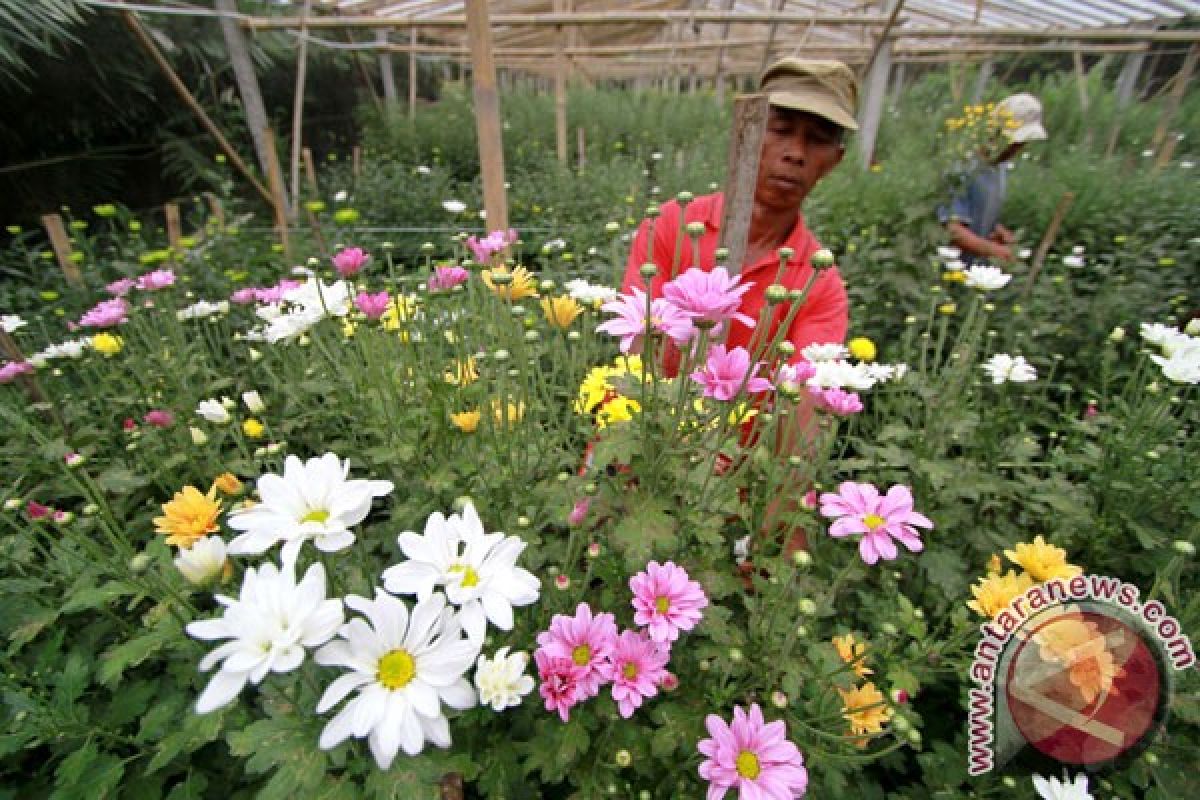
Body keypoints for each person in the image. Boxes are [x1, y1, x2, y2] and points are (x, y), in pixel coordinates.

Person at [622, 58, 858, 373]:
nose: (796, 153)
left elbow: (808, 396)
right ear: (746, 131)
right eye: (781, 130)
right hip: (649, 416)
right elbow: (638, 352)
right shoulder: (671, 225)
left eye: (817, 139)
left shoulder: (820, 286)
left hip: (747, 423)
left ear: (834, 161)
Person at [941, 93, 1047, 263]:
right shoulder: (962, 166)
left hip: (978, 271)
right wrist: (994, 251)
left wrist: (997, 231)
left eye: (1022, 143)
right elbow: (952, 228)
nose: (1017, 148)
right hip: (951, 270)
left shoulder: (999, 167)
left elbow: (976, 211)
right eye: (1015, 142)